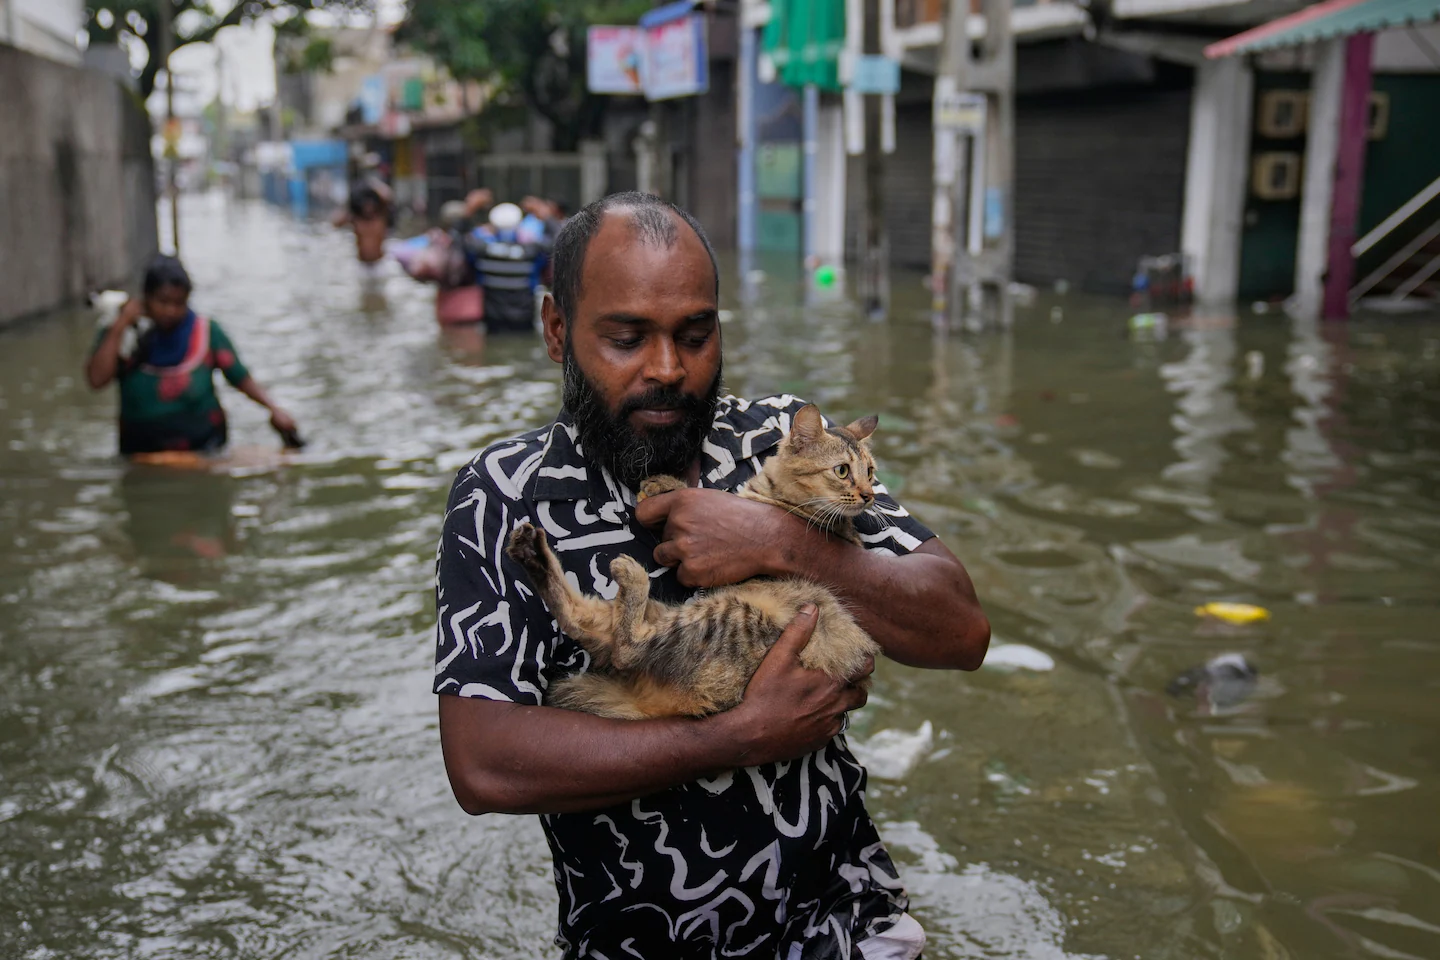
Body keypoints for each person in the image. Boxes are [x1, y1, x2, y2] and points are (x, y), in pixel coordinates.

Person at [434, 192, 990, 958]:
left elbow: (962, 631)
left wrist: (785, 542)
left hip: (844, 923)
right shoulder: (504, 494)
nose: (668, 369)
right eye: (627, 338)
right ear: (556, 329)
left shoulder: (784, 439)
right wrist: (736, 737)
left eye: (695, 335)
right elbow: (483, 764)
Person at [86, 256, 300, 456]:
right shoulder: (123, 335)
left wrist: (273, 408)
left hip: (205, 448)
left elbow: (239, 377)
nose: (170, 311)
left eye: (179, 304)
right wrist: (121, 324)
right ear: (146, 298)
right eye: (163, 302)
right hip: (141, 453)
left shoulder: (206, 333)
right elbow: (97, 380)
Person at [472, 201, 551, 333]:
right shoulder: (532, 251)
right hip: (524, 318)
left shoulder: (481, 251)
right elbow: (556, 242)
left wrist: (470, 209)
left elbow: (460, 239)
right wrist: (546, 216)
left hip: (492, 319)